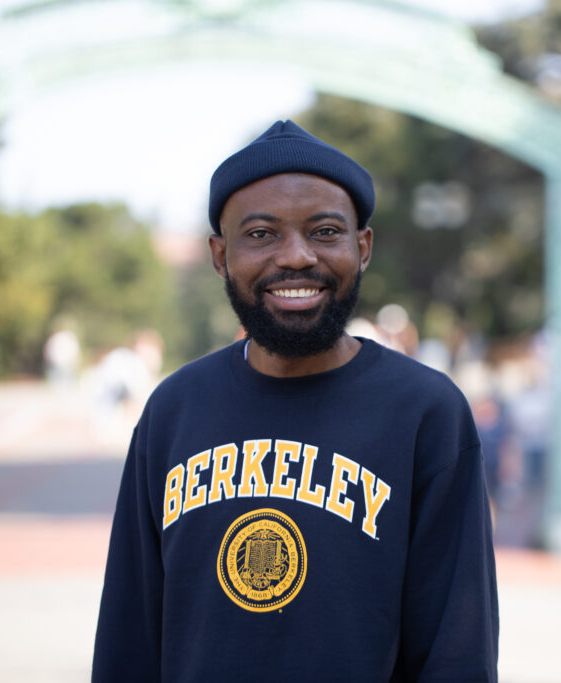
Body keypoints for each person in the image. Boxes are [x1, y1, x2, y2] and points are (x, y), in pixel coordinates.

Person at [92, 120, 499, 682]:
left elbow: (457, 651)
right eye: (261, 234)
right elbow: (127, 638)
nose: (296, 257)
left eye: (325, 231)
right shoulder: (174, 411)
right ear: (219, 254)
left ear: (363, 247)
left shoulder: (426, 414)